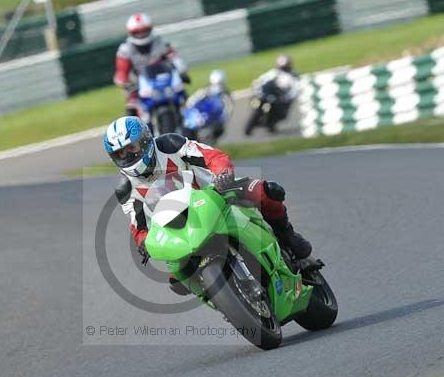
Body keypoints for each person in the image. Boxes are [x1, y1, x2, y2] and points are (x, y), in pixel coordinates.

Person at [104, 116, 311, 294]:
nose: (127, 156)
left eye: (131, 148)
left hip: (217, 191)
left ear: (146, 140)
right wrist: (144, 243)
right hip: (179, 225)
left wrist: (222, 172)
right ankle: (224, 299)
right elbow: (138, 225)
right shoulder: (125, 188)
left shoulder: (170, 144)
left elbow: (210, 155)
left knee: (268, 192)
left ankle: (287, 236)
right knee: (178, 282)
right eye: (120, 154)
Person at [113, 13, 190, 118]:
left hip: (164, 82)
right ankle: (135, 131)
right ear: (131, 32)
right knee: (131, 110)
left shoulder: (161, 43)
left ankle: (190, 127)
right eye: (137, 32)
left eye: (144, 31)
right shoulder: (125, 50)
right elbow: (121, 71)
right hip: (139, 86)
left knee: (184, 99)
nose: (141, 35)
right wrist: (124, 83)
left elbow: (175, 59)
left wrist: (182, 72)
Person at [248, 54, 301, 133]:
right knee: (255, 101)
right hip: (268, 95)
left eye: (285, 66)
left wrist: (287, 97)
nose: (283, 68)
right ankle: (261, 116)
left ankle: (271, 121)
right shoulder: (274, 72)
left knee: (282, 114)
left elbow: (295, 89)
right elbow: (262, 79)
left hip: (282, 98)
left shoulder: (293, 75)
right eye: (282, 66)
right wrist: (256, 84)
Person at [184, 69, 233, 141]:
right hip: (200, 116)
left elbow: (228, 111)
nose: (217, 87)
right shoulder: (205, 91)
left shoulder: (225, 95)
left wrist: (221, 120)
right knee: (188, 129)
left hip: (212, 119)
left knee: (218, 130)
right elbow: (191, 101)